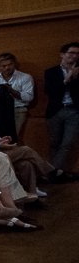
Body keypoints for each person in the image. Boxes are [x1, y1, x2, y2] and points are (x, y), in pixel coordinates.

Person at [0, 52, 35, 138]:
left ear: (14, 64)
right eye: (4, 66)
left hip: (17, 110)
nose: (7, 68)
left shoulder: (25, 77)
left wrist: (13, 92)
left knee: (12, 137)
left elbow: (29, 97)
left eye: (10, 64)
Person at [44, 41, 79, 176]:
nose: (74, 56)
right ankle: (55, 172)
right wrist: (67, 79)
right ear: (62, 54)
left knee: (67, 143)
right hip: (55, 110)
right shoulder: (51, 72)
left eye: (77, 54)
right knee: (54, 142)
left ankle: (51, 172)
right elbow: (50, 91)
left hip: (74, 110)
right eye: (71, 53)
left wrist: (75, 79)